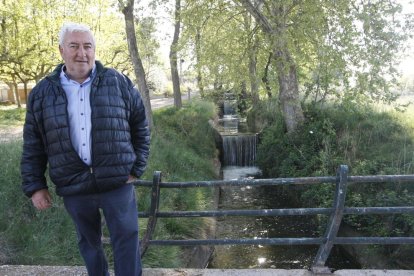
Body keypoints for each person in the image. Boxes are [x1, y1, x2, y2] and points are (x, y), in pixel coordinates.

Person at [21, 22, 150, 276]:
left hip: (117, 182)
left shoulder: (119, 83)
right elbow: (33, 144)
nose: (82, 53)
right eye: (74, 46)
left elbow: (141, 127)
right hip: (74, 183)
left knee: (126, 239)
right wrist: (36, 186)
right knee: (89, 244)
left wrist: (137, 166)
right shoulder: (42, 93)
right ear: (61, 50)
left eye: (87, 46)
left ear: (94, 49)